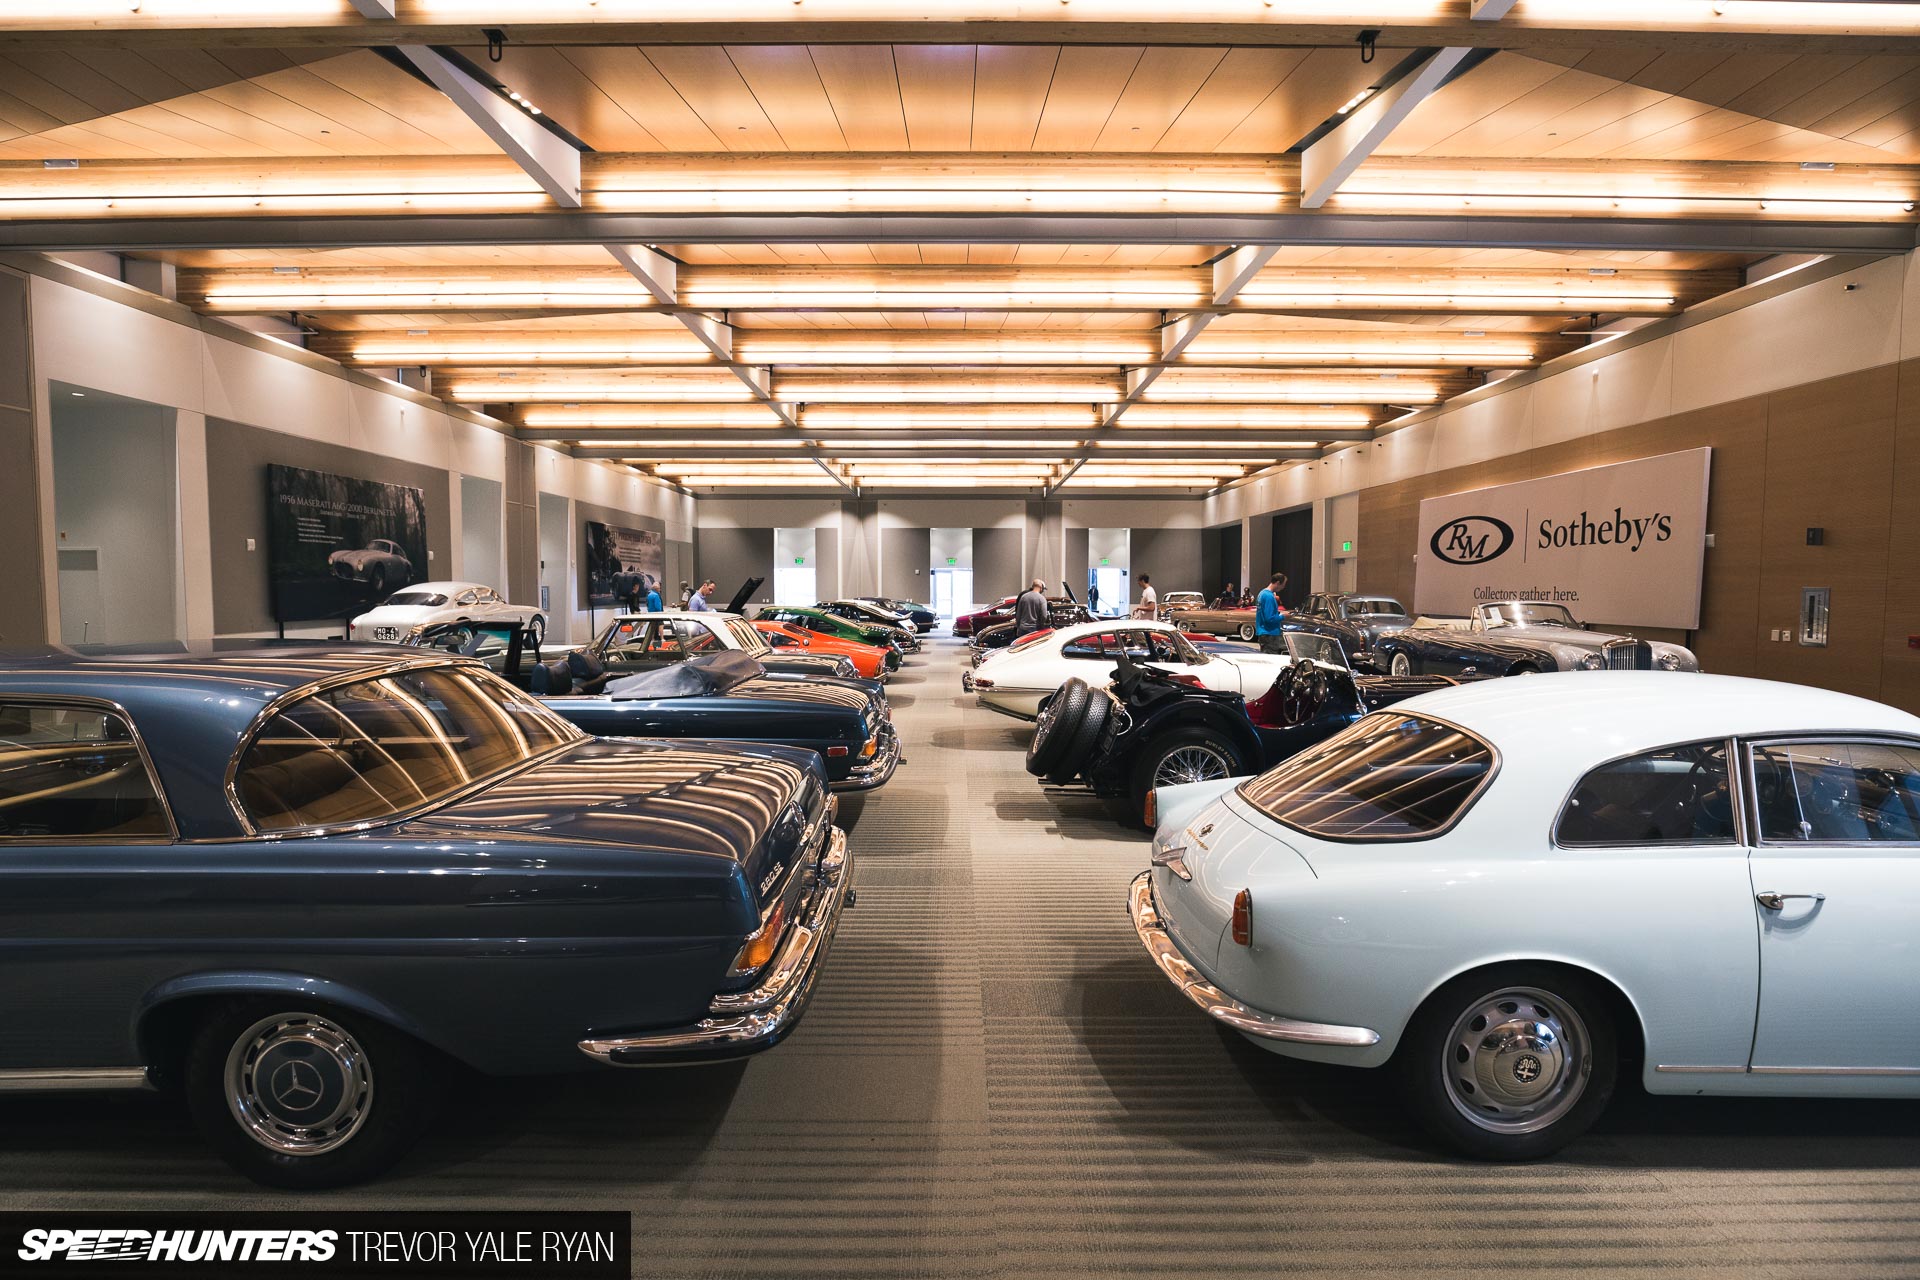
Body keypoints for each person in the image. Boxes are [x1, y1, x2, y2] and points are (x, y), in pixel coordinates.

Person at [1255, 572, 1288, 653]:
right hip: (1269, 634)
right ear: (1278, 583)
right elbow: (1269, 618)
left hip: (1263, 632)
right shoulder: (1269, 596)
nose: (1283, 587)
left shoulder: (1262, 593)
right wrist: (1283, 616)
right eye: (1283, 585)